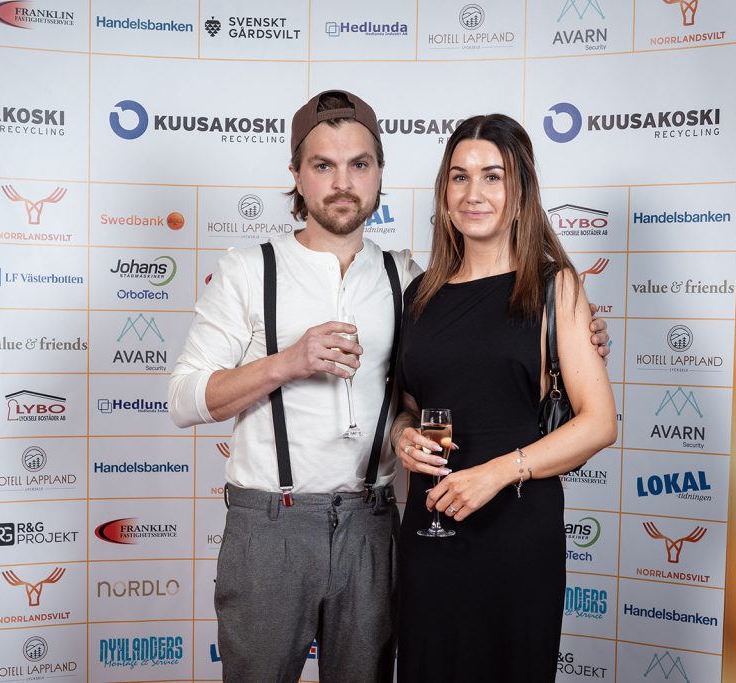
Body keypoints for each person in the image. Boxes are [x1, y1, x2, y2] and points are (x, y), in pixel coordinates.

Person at [168, 92, 610, 683]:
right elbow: (184, 398)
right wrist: (287, 362)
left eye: (359, 164)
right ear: (296, 175)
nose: (342, 182)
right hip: (274, 525)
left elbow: (484, 355)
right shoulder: (251, 270)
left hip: (376, 524)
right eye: (323, 165)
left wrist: (576, 336)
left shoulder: (407, 277)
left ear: (380, 174)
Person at [390, 114, 618, 682]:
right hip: (431, 528)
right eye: (460, 177)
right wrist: (402, 435)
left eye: (493, 176)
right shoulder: (420, 294)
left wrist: (495, 473)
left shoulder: (554, 286)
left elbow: (599, 423)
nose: (474, 193)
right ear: (444, 193)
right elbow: (410, 403)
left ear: (521, 193)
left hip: (515, 534)